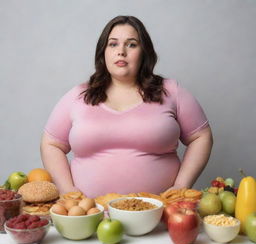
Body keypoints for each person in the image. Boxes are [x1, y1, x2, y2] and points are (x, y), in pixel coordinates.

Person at [40, 15, 213, 198]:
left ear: (144, 52)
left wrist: (181, 185)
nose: (121, 51)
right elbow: (51, 144)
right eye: (113, 44)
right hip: (89, 216)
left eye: (131, 44)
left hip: (161, 214)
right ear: (103, 52)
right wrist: (67, 190)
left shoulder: (171, 91)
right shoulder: (78, 95)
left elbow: (201, 136)